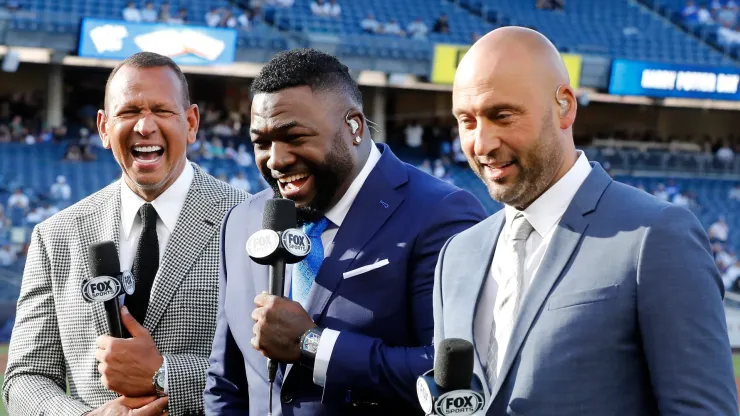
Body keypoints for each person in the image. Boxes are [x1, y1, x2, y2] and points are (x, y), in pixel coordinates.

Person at [433, 27, 737, 415]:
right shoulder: (456, 256)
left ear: (564, 106)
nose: (482, 143)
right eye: (467, 121)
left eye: (502, 116)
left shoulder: (655, 236)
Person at [204, 48, 486, 415]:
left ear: (353, 126)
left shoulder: (441, 214)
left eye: (295, 136)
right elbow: (226, 383)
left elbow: (453, 376)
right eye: (262, 142)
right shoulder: (242, 220)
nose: (276, 159)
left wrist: (314, 345)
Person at [3, 52, 248, 415]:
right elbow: (25, 376)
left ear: (192, 122)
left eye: (162, 110)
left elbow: (273, 367)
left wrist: (165, 375)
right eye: (129, 112)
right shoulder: (56, 236)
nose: (145, 126)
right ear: (103, 128)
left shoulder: (246, 222)